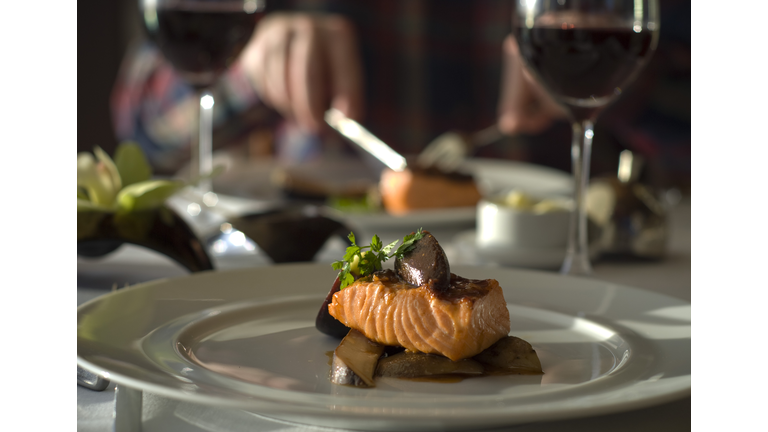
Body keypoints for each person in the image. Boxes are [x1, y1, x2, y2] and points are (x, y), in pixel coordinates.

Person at [112, 0, 689, 189]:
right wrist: (247, 68)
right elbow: (141, 129)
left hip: (560, 277)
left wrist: (614, 72)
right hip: (305, 277)